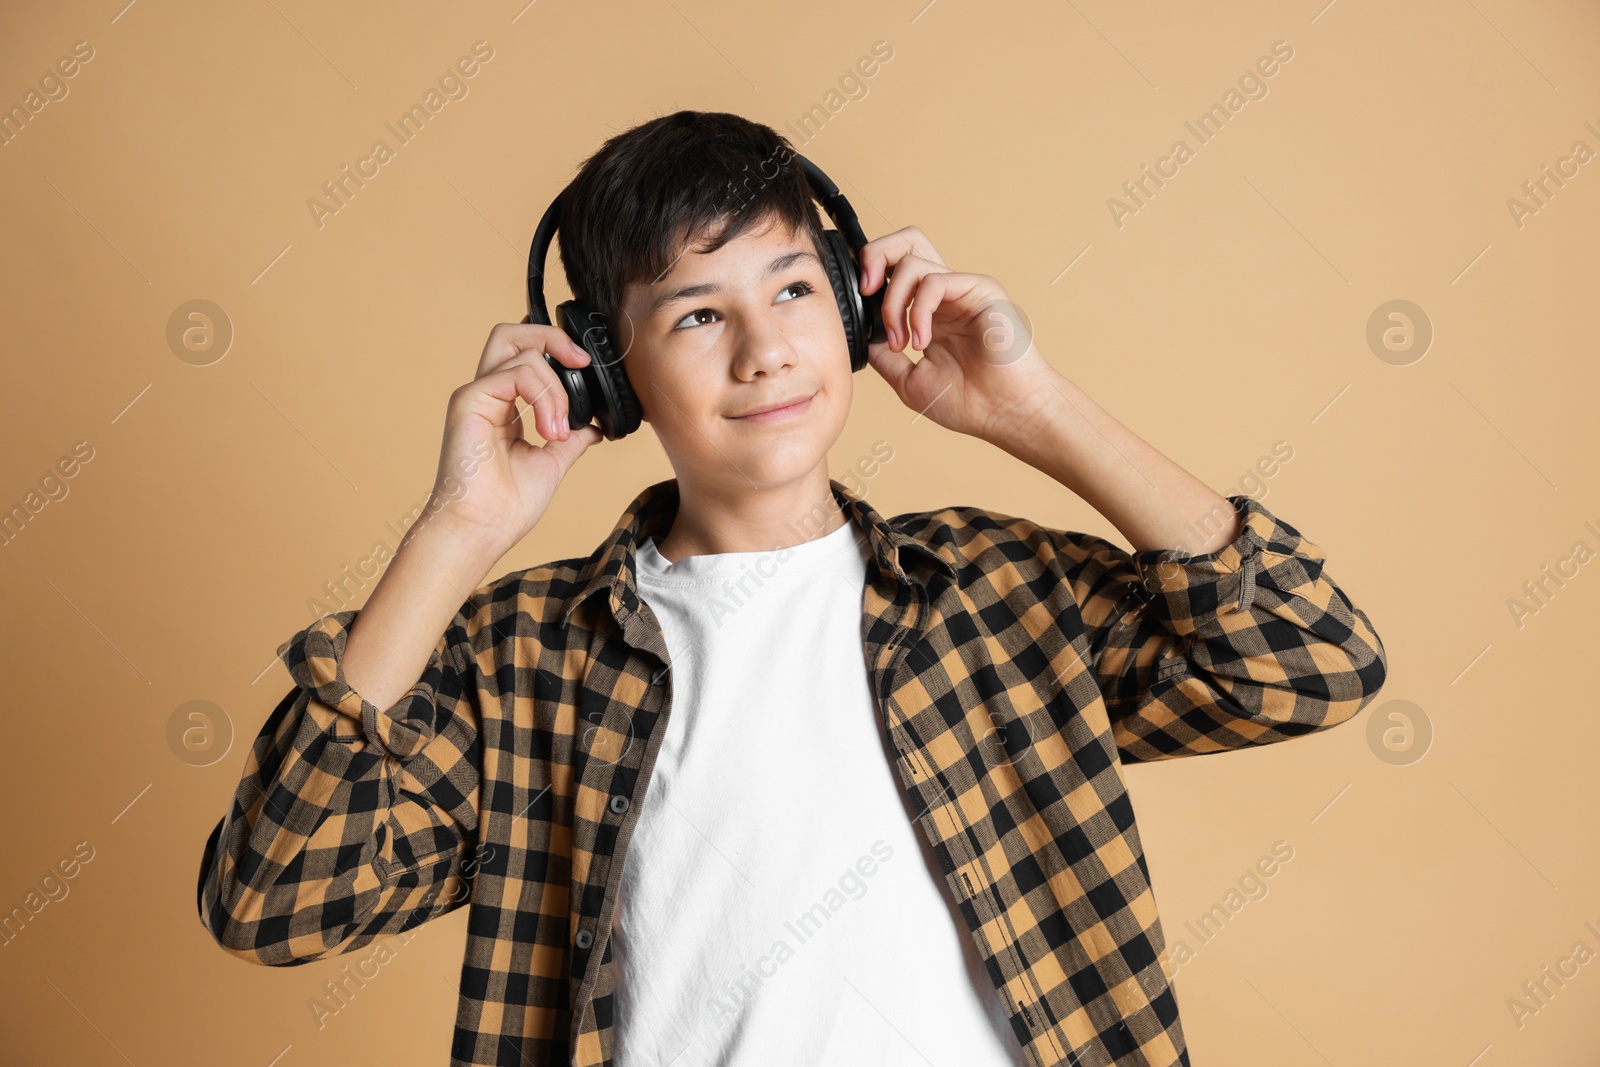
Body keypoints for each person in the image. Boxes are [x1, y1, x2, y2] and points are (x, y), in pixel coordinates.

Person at [196, 110, 1387, 1067]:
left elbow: (1308, 657)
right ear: (605, 372)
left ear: (858, 302)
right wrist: (458, 530)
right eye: (699, 313)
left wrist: (1035, 409)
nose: (763, 349)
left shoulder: (997, 594)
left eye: (796, 290)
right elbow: (275, 896)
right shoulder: (522, 657)